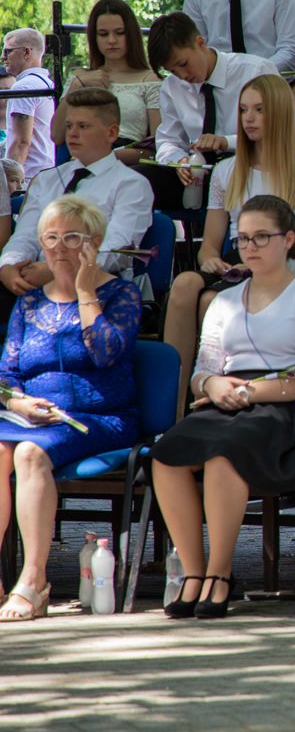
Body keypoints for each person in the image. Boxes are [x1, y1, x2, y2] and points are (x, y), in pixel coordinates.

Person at [150, 195, 295, 619]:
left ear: (289, 240)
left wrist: (251, 392)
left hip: (281, 403)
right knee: (165, 455)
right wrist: (212, 384)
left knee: (224, 455)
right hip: (225, 399)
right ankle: (193, 573)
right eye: (243, 238)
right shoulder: (225, 300)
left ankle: (220, 573)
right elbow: (202, 369)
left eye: (261, 237)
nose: (250, 246)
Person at [0, 195, 140, 622]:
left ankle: (34, 581)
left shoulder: (121, 293)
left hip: (99, 417)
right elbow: (6, 372)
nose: (59, 247)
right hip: (31, 417)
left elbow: (106, 353)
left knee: (28, 453)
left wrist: (84, 292)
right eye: (51, 238)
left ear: (94, 243)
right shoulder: (28, 303)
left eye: (72, 238)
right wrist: (19, 401)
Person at [163, 76, 295, 405]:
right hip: (235, 258)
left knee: (212, 300)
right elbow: (209, 245)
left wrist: (264, 265)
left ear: (280, 113)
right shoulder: (226, 171)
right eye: (243, 110)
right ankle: (175, 403)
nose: (249, 118)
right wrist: (211, 260)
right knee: (184, 284)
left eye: (259, 110)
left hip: (283, 263)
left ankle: (220, 394)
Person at [0, 88, 152, 328]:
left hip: (92, 282)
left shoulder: (131, 184)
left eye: (83, 126)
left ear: (111, 133)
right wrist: (8, 266)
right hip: (34, 277)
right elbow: (26, 235)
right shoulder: (47, 179)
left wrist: (57, 271)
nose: (72, 134)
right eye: (69, 126)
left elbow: (116, 249)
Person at [148, 11, 279, 208]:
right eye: (173, 71)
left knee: (234, 176)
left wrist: (225, 142)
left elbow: (276, 132)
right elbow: (168, 140)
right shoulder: (172, 86)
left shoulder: (255, 71)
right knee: (140, 180)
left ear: (200, 43)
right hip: (196, 173)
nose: (183, 75)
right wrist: (179, 160)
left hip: (246, 165)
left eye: (183, 64)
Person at [51, 0, 161, 164]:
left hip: (127, 163)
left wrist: (104, 157)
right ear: (94, 37)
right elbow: (56, 135)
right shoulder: (80, 77)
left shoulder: (150, 80)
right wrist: (77, 86)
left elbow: (158, 145)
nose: (111, 40)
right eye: (103, 34)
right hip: (77, 161)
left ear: (131, 34)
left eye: (120, 33)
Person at [3, 27, 55, 186]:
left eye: (8, 51)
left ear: (26, 52)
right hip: (45, 175)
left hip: (26, 179)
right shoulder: (46, 83)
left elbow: (21, 142)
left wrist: (8, 184)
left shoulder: (24, 87)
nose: (3, 57)